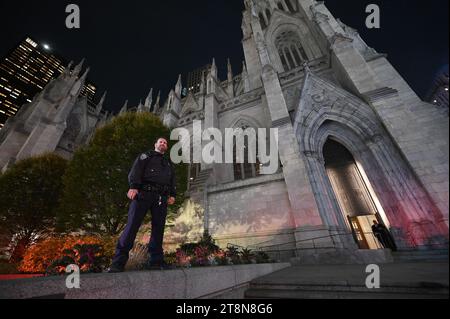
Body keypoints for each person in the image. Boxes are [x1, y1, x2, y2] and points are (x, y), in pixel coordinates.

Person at [108, 138, 176, 273]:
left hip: (161, 198)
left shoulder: (168, 163)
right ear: (155, 144)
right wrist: (133, 186)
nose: (163, 144)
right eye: (160, 142)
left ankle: (156, 261)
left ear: (166, 147)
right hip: (143, 193)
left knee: (158, 229)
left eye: (165, 143)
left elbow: (172, 179)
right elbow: (136, 170)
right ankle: (118, 262)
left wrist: (172, 194)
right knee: (132, 225)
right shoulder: (146, 156)